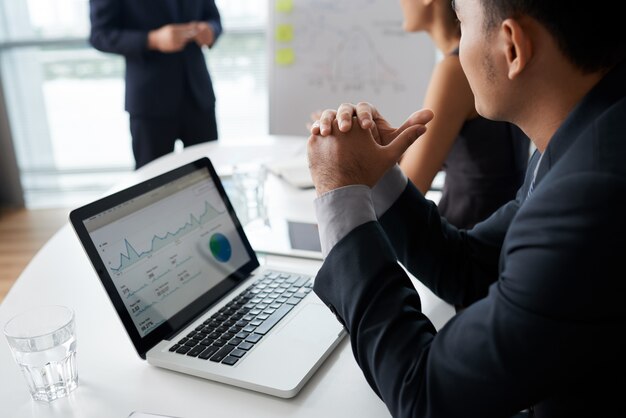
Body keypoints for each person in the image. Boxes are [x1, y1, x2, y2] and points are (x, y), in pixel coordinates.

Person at [307, 0, 626, 416]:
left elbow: (424, 396)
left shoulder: (591, 194)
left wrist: (341, 196)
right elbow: (472, 266)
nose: (458, 47)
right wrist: (375, 179)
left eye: (462, 23)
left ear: (512, 47)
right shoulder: (588, 132)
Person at [397, 0, 528, 229]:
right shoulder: (493, 58)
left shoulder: (454, 70)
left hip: (465, 242)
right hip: (501, 233)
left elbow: (406, 189)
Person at [89, 0, 222, 169]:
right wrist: (152, 40)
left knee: (209, 173)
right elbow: (100, 35)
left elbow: (214, 18)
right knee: (152, 181)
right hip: (150, 101)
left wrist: (211, 30)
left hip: (198, 95)